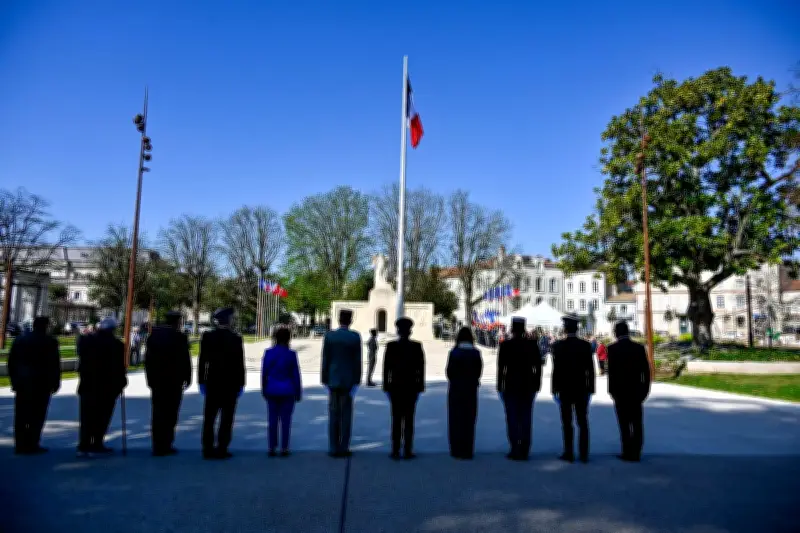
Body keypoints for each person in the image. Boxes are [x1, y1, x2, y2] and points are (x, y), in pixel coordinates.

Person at [8, 316, 60, 454]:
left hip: (23, 383)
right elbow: (54, 364)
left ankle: (20, 444)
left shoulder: (20, 340)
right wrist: (56, 382)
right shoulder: (50, 341)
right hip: (42, 383)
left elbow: (11, 362)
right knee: (37, 415)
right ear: (46, 326)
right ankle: (32, 443)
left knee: (21, 414)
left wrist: (14, 380)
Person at [199, 308, 245, 460]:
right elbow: (240, 364)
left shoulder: (208, 337)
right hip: (230, 384)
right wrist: (241, 383)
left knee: (209, 417)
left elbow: (202, 361)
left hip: (212, 382)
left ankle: (207, 448)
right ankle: (222, 448)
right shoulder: (235, 338)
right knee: (227, 418)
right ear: (228, 320)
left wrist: (201, 380)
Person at [76, 317, 127, 457]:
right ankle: (97, 442)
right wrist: (122, 382)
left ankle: (84, 444)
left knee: (86, 416)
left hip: (88, 385)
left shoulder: (85, 341)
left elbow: (81, 359)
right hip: (107, 387)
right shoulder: (117, 345)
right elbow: (119, 368)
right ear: (112, 329)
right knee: (103, 416)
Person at [145, 311, 192, 456]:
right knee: (171, 413)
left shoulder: (154, 336)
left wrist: (150, 379)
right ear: (177, 322)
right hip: (174, 381)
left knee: (158, 412)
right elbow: (185, 360)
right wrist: (188, 377)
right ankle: (166, 443)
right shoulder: (180, 337)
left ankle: (157, 444)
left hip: (158, 381)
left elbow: (148, 360)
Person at [551, 314, 595, 463]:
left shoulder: (558, 346)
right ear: (577, 329)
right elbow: (590, 369)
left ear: (565, 328)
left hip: (564, 389)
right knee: (583, 422)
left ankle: (568, 452)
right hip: (582, 388)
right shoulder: (585, 345)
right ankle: (584, 454)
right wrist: (591, 388)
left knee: (567, 422)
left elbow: (556, 370)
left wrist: (554, 389)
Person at [497, 317, 542, 461]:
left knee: (512, 418)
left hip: (511, 385)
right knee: (526, 418)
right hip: (528, 385)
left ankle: (515, 448)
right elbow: (538, 367)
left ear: (512, 328)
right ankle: (525, 448)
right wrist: (537, 384)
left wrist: (500, 386)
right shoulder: (532, 345)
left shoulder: (506, 345)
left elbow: (501, 368)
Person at [608, 321, 651, 462]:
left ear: (616, 333)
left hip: (620, 392)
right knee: (637, 423)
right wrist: (645, 390)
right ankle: (637, 452)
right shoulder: (638, 348)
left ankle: (627, 451)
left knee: (624, 423)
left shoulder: (612, 349)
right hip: (636, 391)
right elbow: (646, 371)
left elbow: (612, 373)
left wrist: (611, 391)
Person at [321, 309, 362, 457]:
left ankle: (333, 447)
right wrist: (357, 380)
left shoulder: (330, 336)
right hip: (348, 380)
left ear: (339, 319)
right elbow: (357, 361)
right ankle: (344, 447)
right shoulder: (354, 337)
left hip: (333, 379)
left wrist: (324, 379)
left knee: (333, 414)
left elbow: (325, 359)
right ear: (350, 320)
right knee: (346, 415)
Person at [383, 317, 425, 460]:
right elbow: (421, 369)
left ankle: (395, 450)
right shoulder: (416, 346)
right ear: (410, 331)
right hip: (411, 388)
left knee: (396, 419)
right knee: (409, 420)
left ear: (398, 331)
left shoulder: (391, 346)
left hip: (395, 387)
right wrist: (420, 387)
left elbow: (386, 369)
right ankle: (407, 450)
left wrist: (386, 386)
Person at [261, 328, 302, 457]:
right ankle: (284, 447)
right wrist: (298, 391)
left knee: (272, 420)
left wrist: (264, 388)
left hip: (272, 389)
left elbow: (264, 373)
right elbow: (296, 374)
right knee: (286, 421)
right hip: (288, 390)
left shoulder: (268, 353)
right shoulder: (291, 354)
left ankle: (271, 447)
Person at [446, 327, 482, 459]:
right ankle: (468, 449)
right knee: (469, 420)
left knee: (455, 420)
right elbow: (479, 372)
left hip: (456, 390)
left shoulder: (454, 352)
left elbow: (449, 372)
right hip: (471, 390)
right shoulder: (476, 353)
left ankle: (456, 449)